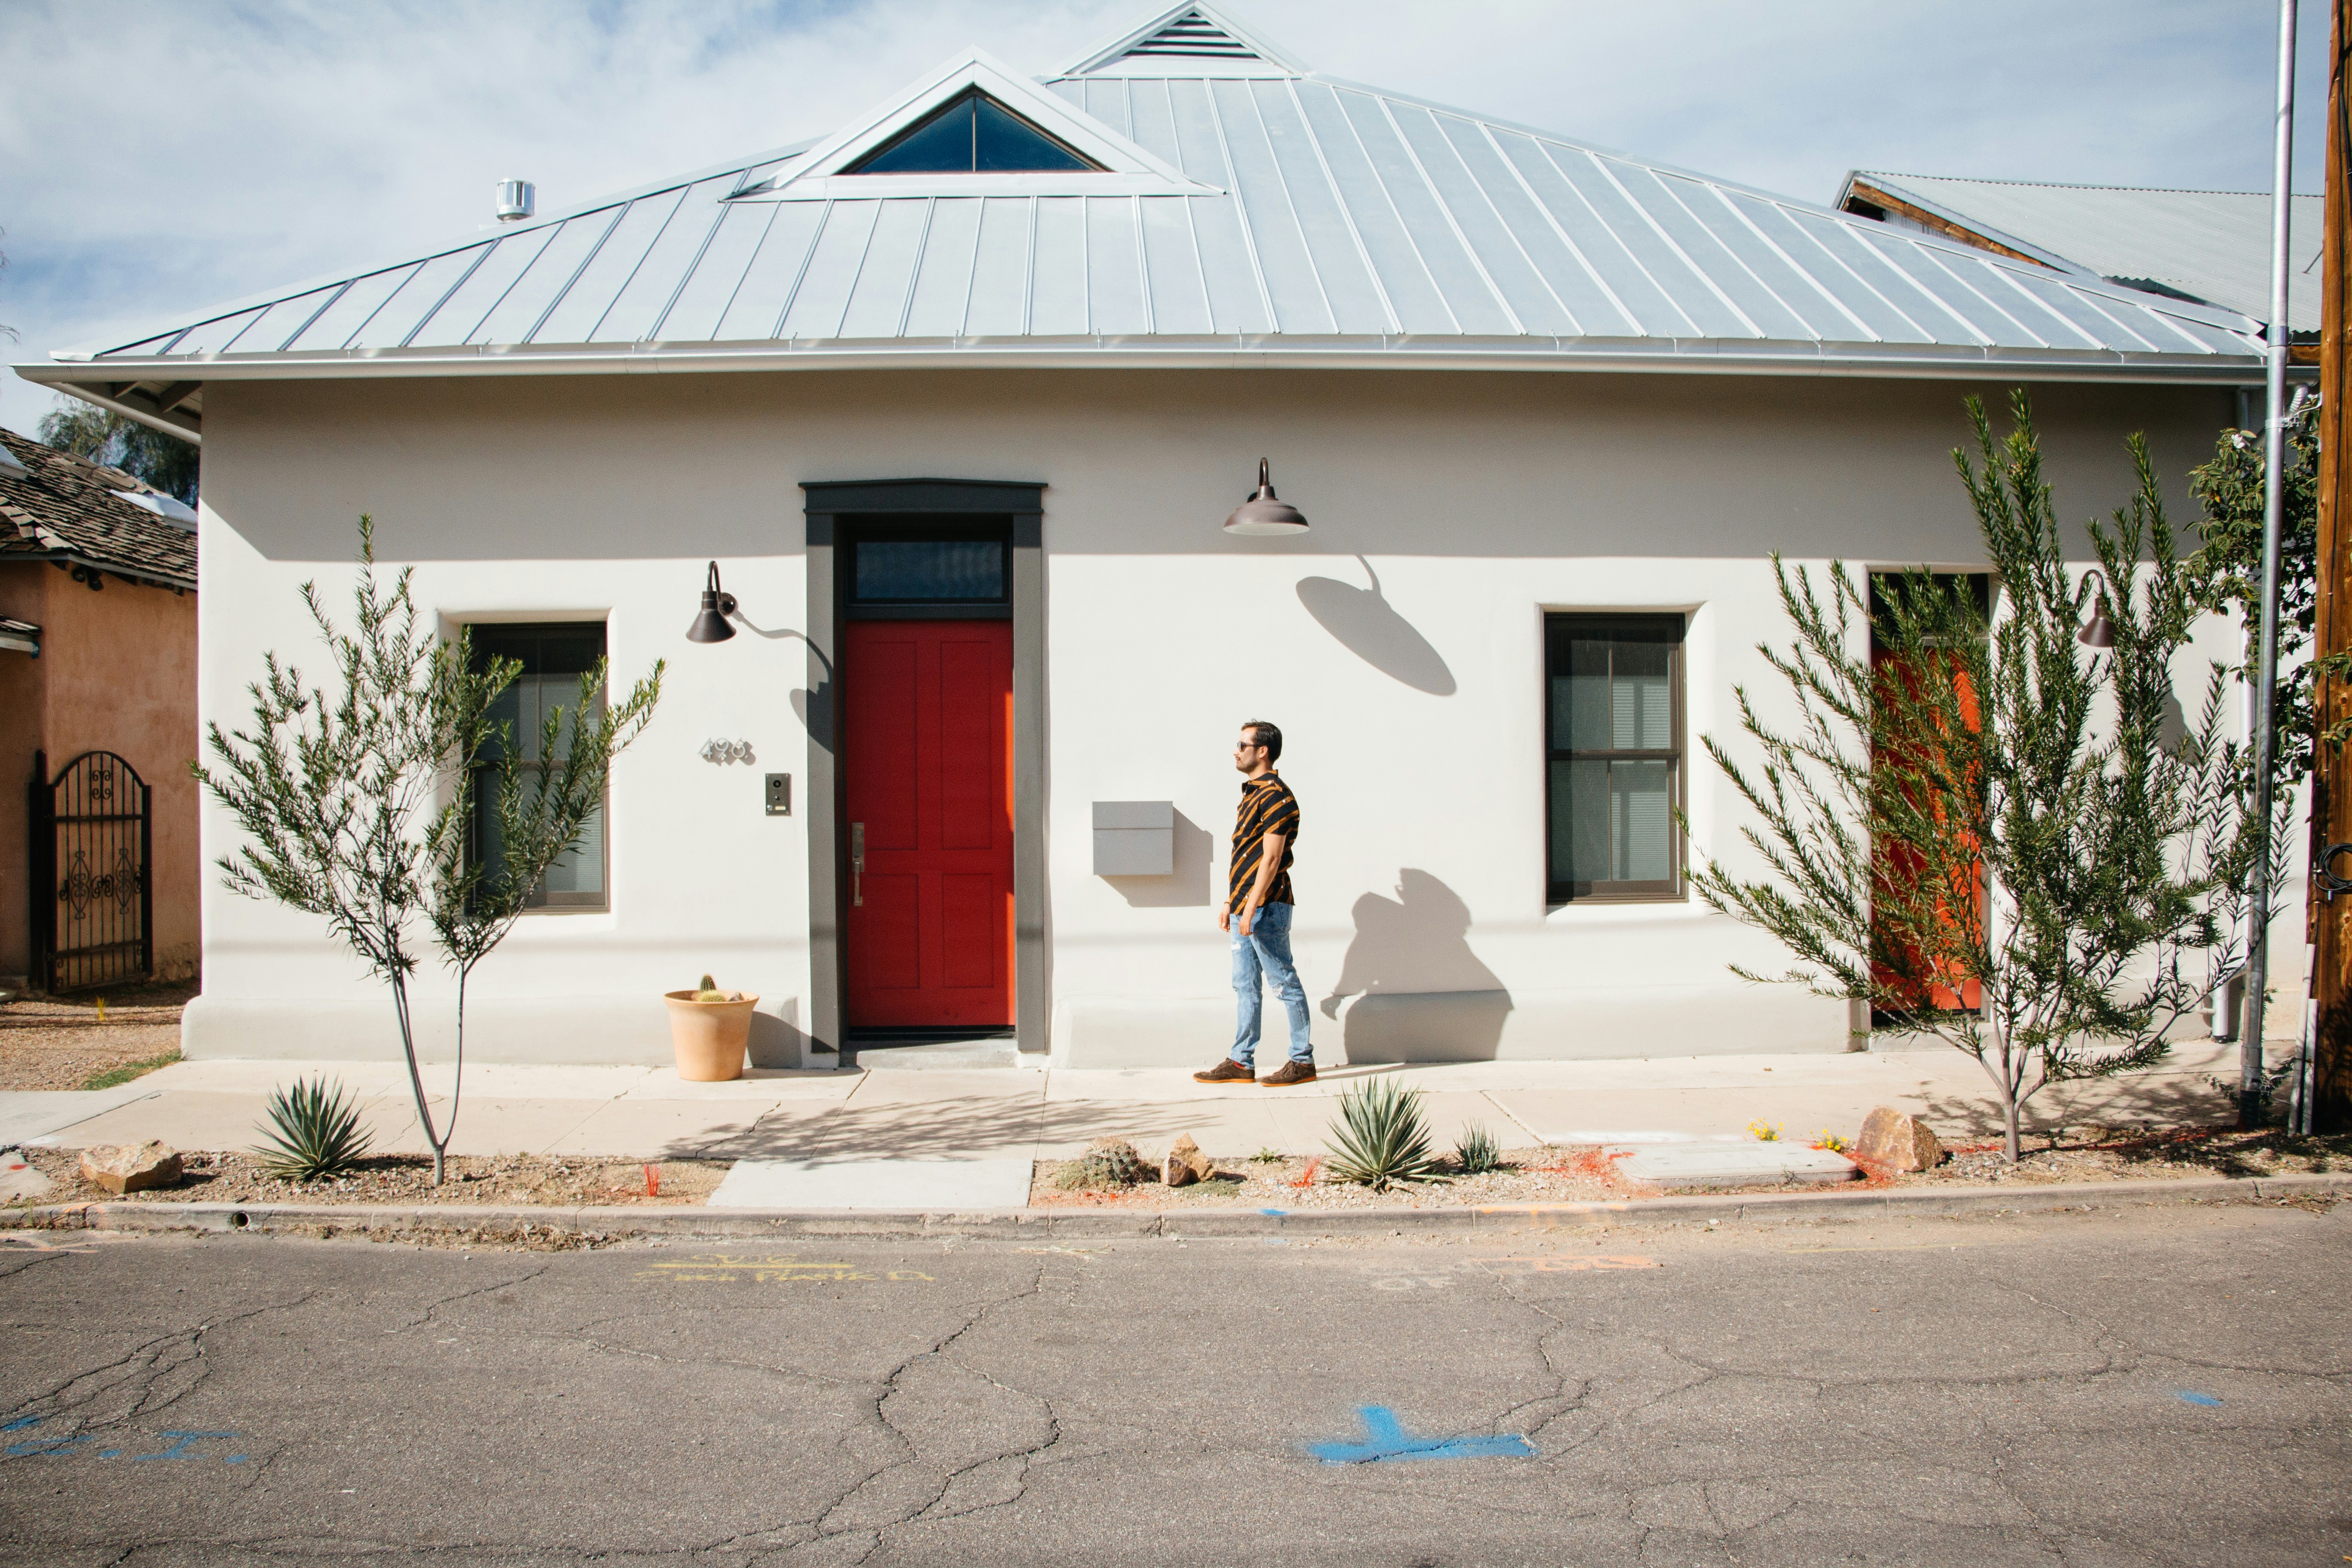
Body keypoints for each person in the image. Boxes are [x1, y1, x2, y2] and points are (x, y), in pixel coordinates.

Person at [1195, 720, 1314, 1086]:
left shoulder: (1277, 795)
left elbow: (1272, 859)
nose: (1236, 750)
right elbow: (1245, 855)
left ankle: (1302, 1061)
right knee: (1245, 985)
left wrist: (1251, 906)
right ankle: (1241, 1061)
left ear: (1262, 751)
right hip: (1246, 905)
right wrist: (1233, 901)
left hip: (1266, 906)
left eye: (1242, 745)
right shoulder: (1252, 793)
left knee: (1283, 982)